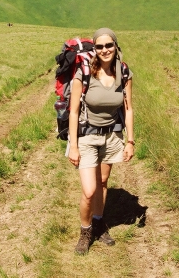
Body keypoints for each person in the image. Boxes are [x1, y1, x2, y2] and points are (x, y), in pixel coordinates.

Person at [67, 27, 135, 255]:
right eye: (99, 46)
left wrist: (130, 140)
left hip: (112, 135)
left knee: (103, 182)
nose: (105, 50)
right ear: (94, 49)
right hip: (86, 136)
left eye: (109, 45)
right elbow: (74, 111)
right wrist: (74, 146)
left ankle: (98, 223)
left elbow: (129, 108)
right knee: (89, 190)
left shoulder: (123, 71)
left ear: (116, 46)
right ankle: (85, 232)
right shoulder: (84, 71)